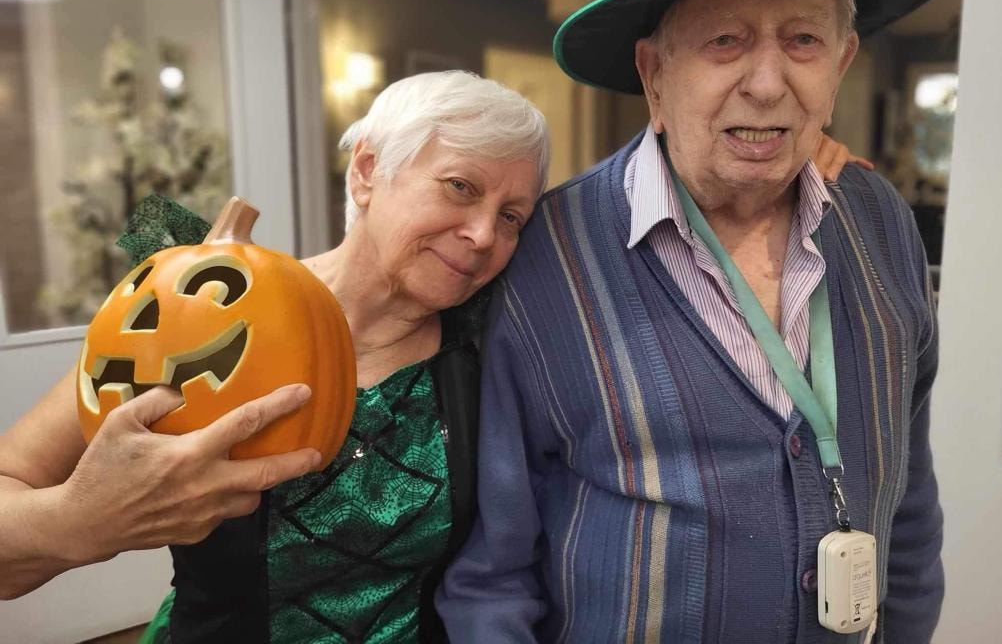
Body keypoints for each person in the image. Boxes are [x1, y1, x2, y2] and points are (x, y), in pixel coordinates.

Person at [0, 67, 862, 642]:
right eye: (458, 187)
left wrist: (780, 164)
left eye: (512, 216)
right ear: (368, 171)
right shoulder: (203, 316)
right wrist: (78, 521)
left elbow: (624, 231)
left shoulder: (497, 339)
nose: (483, 234)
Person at [437, 0, 968, 643]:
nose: (767, 83)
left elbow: (908, 502)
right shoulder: (549, 253)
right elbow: (493, 572)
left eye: (803, 41)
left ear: (842, 62)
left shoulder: (881, 222)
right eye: (726, 41)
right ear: (655, 74)